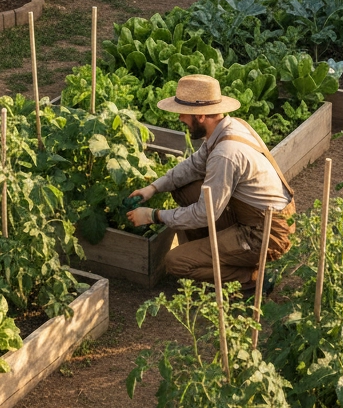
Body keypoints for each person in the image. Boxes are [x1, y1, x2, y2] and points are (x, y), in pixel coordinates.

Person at [125, 74, 295, 291]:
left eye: (183, 114)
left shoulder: (226, 154)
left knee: (176, 262)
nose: (180, 119)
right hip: (256, 216)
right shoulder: (228, 128)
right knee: (185, 189)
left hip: (264, 234)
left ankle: (251, 278)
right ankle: (215, 253)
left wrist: (153, 216)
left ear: (201, 115)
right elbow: (194, 165)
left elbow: (204, 214)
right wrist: (153, 187)